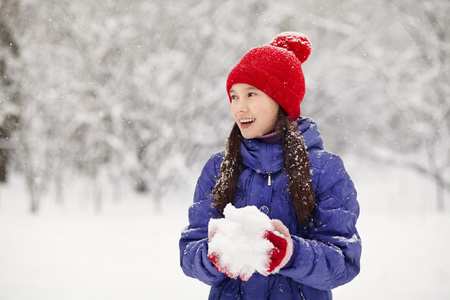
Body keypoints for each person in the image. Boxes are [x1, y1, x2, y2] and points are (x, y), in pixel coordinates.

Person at [179, 32, 361, 300]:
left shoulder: (325, 170)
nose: (239, 108)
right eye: (234, 96)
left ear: (282, 101)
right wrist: (212, 255)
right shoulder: (219, 168)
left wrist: (291, 253)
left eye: (251, 94)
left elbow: (344, 261)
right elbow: (188, 253)